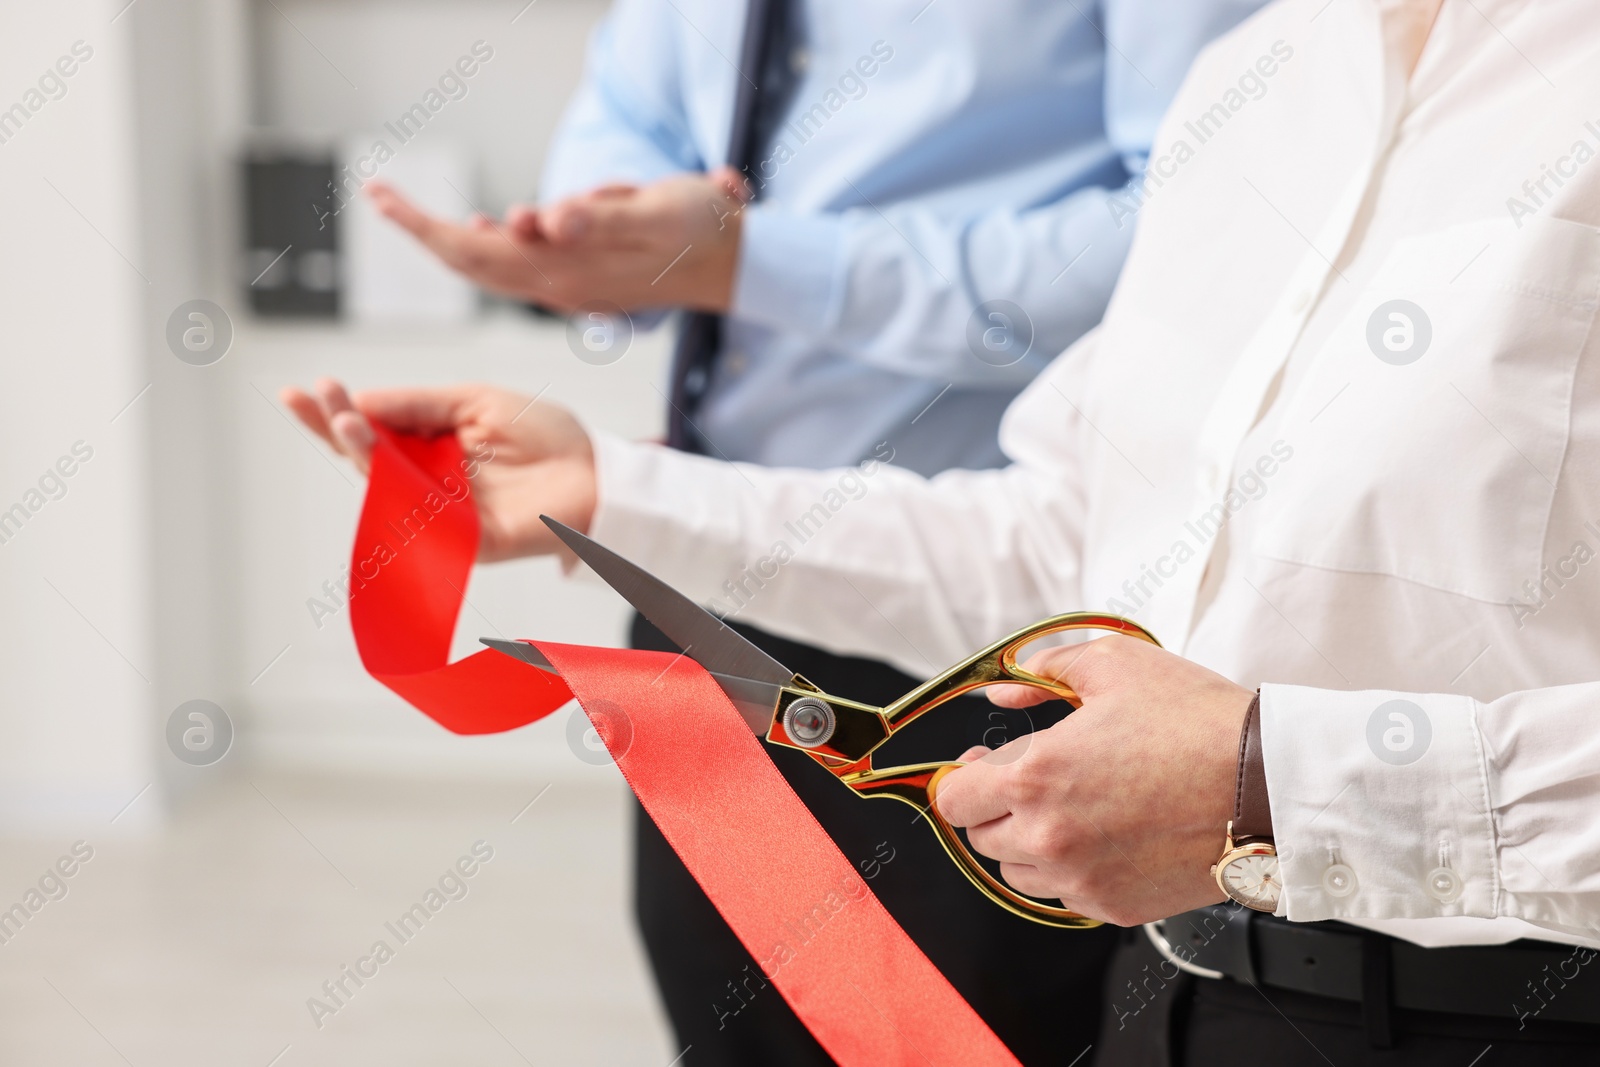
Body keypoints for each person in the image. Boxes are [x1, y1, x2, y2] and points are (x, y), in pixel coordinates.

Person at [287, 0, 1600, 1061]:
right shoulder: (1259, 74)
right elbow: (1064, 542)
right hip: (1182, 998)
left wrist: (1271, 786)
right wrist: (612, 495)